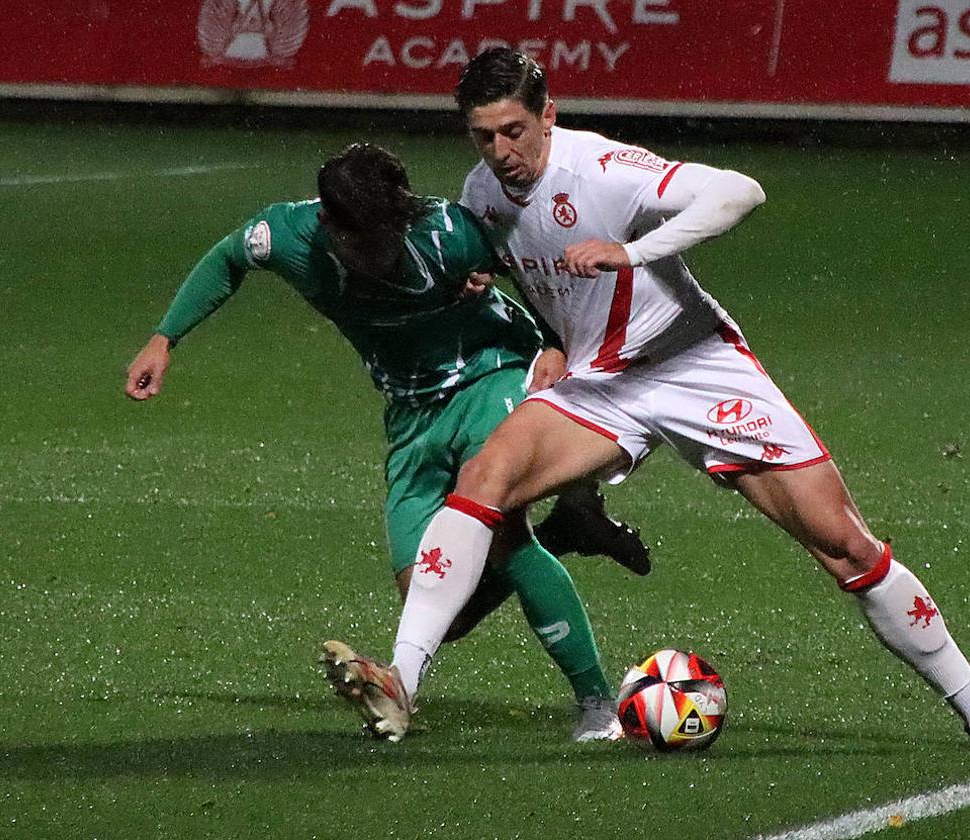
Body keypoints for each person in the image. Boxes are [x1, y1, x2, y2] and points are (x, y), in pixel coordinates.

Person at [357, 47, 970, 754]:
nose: (501, 149)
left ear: (549, 114)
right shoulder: (481, 194)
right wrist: (546, 335)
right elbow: (544, 278)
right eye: (483, 135)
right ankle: (403, 682)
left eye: (514, 130)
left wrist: (633, 252)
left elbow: (740, 191)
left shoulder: (602, 169)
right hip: (604, 385)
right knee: (485, 479)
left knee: (846, 547)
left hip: (693, 364)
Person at [124, 142, 649, 741]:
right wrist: (164, 339)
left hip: (491, 373)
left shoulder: (448, 232)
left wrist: (554, 341)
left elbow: (539, 265)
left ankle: (597, 703)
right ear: (329, 224)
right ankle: (566, 530)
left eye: (387, 238)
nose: (378, 254)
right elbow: (227, 258)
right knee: (437, 602)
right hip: (410, 411)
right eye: (363, 243)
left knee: (500, 528)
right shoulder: (286, 236)